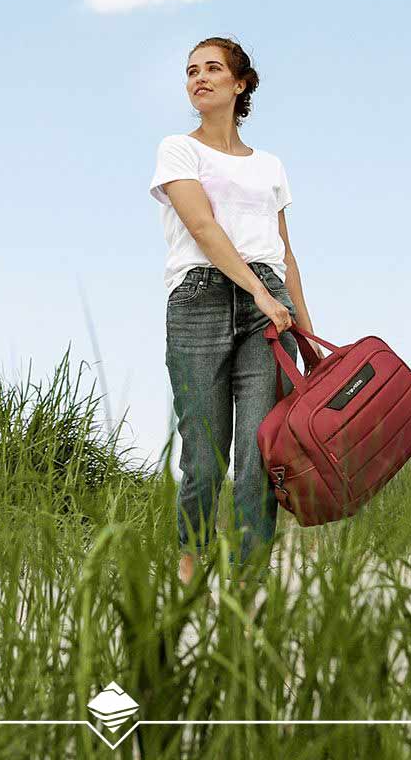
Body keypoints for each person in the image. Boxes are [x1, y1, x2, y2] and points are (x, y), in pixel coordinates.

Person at [149, 36, 324, 588]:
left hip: (269, 308)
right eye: (191, 71)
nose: (199, 78)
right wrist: (260, 293)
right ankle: (190, 567)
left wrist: (308, 332)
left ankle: (250, 578)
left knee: (258, 455)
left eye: (212, 69)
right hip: (200, 299)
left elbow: (284, 251)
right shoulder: (178, 149)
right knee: (203, 453)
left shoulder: (270, 165)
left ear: (240, 83)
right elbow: (203, 228)